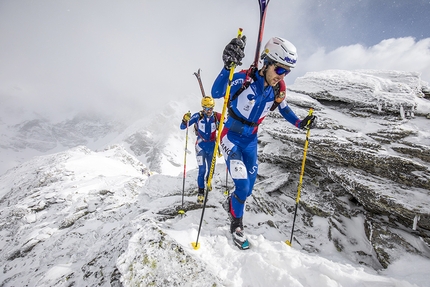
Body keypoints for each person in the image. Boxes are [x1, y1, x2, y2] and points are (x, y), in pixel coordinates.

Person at [211, 36, 317, 249]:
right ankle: (237, 225)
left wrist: (301, 124)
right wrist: (226, 68)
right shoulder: (243, 80)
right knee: (241, 185)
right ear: (267, 63)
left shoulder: (278, 90)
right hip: (230, 138)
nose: (282, 76)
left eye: (287, 71)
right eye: (280, 70)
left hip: (250, 142)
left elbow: (284, 109)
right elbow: (216, 93)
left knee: (247, 190)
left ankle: (232, 203)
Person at [180, 96, 221, 204]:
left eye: (211, 108)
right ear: (203, 108)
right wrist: (185, 119)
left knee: (211, 170)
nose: (209, 111)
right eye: (207, 108)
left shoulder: (216, 116)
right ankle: (201, 193)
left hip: (212, 147)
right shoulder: (198, 116)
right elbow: (183, 127)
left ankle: (208, 181)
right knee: (202, 170)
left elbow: (228, 123)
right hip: (200, 146)